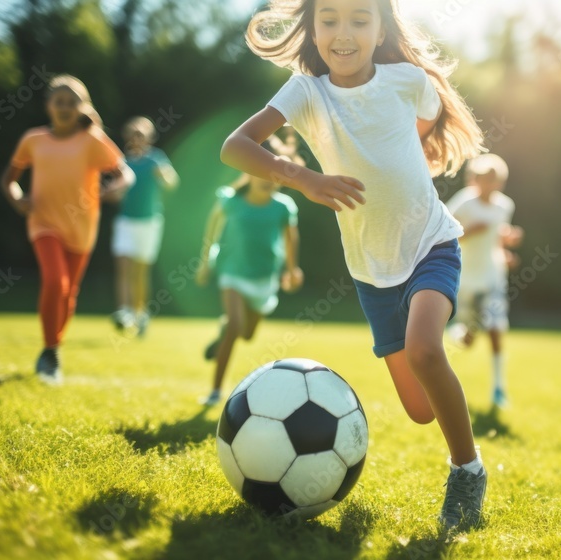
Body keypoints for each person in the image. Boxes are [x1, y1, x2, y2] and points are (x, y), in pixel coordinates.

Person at [221, 0, 488, 532]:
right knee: (419, 408)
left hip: (430, 245)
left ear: (381, 28)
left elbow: (428, 119)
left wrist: (407, 158)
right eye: (331, 20)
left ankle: (468, 471)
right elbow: (236, 147)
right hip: (371, 270)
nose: (344, 33)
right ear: (313, 30)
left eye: (360, 19)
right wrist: (304, 179)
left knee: (426, 349)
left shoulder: (407, 80)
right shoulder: (306, 92)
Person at [0, 75, 134, 384]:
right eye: (59, 101)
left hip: (82, 229)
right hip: (43, 223)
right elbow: (9, 179)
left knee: (69, 295)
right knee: (55, 282)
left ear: (82, 107)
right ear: (48, 105)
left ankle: (53, 347)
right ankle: (50, 351)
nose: (65, 107)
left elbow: (124, 172)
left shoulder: (92, 140)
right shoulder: (33, 139)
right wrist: (19, 199)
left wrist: (117, 187)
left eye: (72, 102)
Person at [195, 137, 304, 407]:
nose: (267, 179)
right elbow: (213, 223)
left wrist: (292, 270)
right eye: (261, 173)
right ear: (249, 172)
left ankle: (224, 334)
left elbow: (291, 239)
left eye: (274, 174)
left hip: (264, 279)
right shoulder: (232, 201)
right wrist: (205, 259)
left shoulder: (283, 208)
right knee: (235, 325)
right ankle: (215, 391)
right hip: (232, 272)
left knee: (245, 333)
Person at [445, 154, 523, 409]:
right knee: (468, 341)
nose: (488, 184)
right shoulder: (463, 204)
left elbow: (497, 237)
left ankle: (499, 389)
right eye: (483, 179)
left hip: (494, 277)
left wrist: (507, 245)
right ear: (474, 179)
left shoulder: (505, 206)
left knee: (497, 330)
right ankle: (458, 332)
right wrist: (468, 232)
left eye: (493, 180)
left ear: (500, 182)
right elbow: (443, 234)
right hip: (466, 278)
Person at [110, 116, 180, 337]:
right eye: (134, 134)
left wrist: (165, 174)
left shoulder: (156, 159)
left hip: (149, 222)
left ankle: (141, 315)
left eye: (141, 135)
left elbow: (172, 183)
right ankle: (124, 313)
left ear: (149, 138)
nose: (137, 139)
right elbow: (116, 190)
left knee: (140, 272)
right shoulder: (123, 162)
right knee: (123, 265)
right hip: (126, 220)